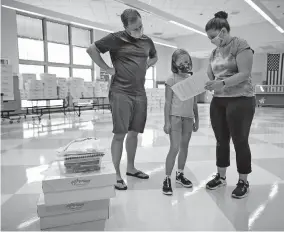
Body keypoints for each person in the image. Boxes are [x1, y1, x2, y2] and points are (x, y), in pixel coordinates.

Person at [87, 9, 158, 190]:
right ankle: (116, 174)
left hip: (139, 92)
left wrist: (148, 64)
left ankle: (131, 168)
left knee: (134, 132)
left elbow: (154, 56)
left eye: (140, 26)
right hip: (120, 91)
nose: (139, 30)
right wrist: (107, 68)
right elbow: (91, 49)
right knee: (120, 133)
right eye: (135, 28)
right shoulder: (115, 39)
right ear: (125, 27)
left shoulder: (147, 40)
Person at [204, 11, 255, 199]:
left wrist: (222, 83)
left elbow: (244, 73)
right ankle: (221, 176)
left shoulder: (241, 45)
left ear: (223, 32)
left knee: (240, 140)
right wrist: (195, 82)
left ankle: (243, 181)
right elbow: (210, 76)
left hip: (241, 98)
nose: (211, 41)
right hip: (219, 100)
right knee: (221, 140)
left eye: (212, 37)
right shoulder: (214, 52)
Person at [162, 49, 199, 196]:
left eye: (187, 61)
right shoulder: (171, 80)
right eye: (181, 61)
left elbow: (195, 102)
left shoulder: (192, 80)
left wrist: (197, 119)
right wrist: (166, 122)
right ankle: (166, 178)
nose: (185, 64)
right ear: (174, 63)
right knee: (175, 147)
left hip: (188, 118)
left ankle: (180, 175)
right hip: (175, 117)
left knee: (184, 147)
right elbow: (167, 102)